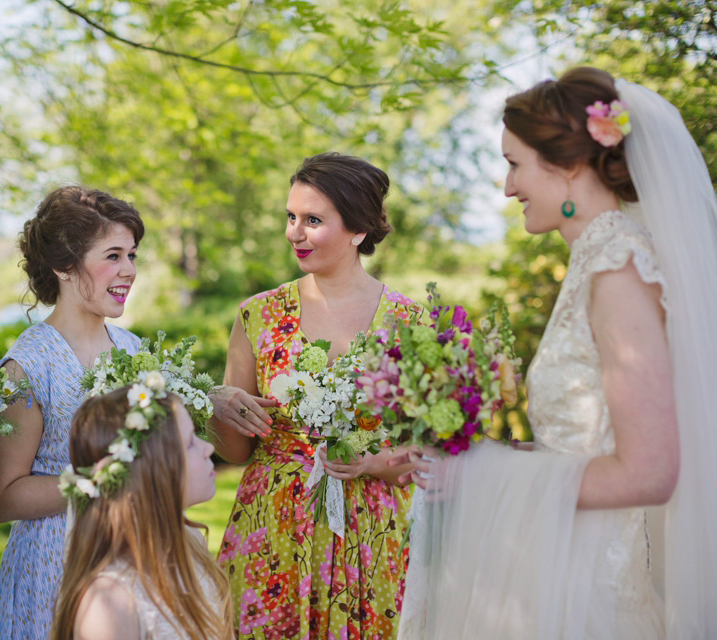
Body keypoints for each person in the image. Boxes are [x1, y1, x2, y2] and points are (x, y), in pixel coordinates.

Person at [398, 67, 717, 639]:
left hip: (593, 595)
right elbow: (588, 443)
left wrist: (484, 477)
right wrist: (493, 456)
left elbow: (650, 473)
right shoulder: (598, 261)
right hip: (561, 572)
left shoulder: (617, 268)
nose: (506, 186)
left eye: (514, 163)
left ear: (568, 165)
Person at [210, 152, 418, 638]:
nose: (294, 233)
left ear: (358, 230)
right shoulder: (257, 316)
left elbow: (427, 452)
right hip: (274, 530)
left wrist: (372, 463)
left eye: (313, 220)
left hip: (375, 532)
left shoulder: (411, 324)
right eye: (291, 217)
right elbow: (237, 451)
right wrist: (217, 406)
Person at [0, 186, 144, 638]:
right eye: (113, 256)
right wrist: (98, 481)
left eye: (132, 255)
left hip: (131, 552)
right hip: (56, 564)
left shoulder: (133, 349)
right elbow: (4, 497)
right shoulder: (26, 366)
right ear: (63, 266)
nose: (129, 270)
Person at [50, 383, 233, 640]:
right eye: (191, 442)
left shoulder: (191, 542)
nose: (209, 449)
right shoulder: (110, 603)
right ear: (149, 472)